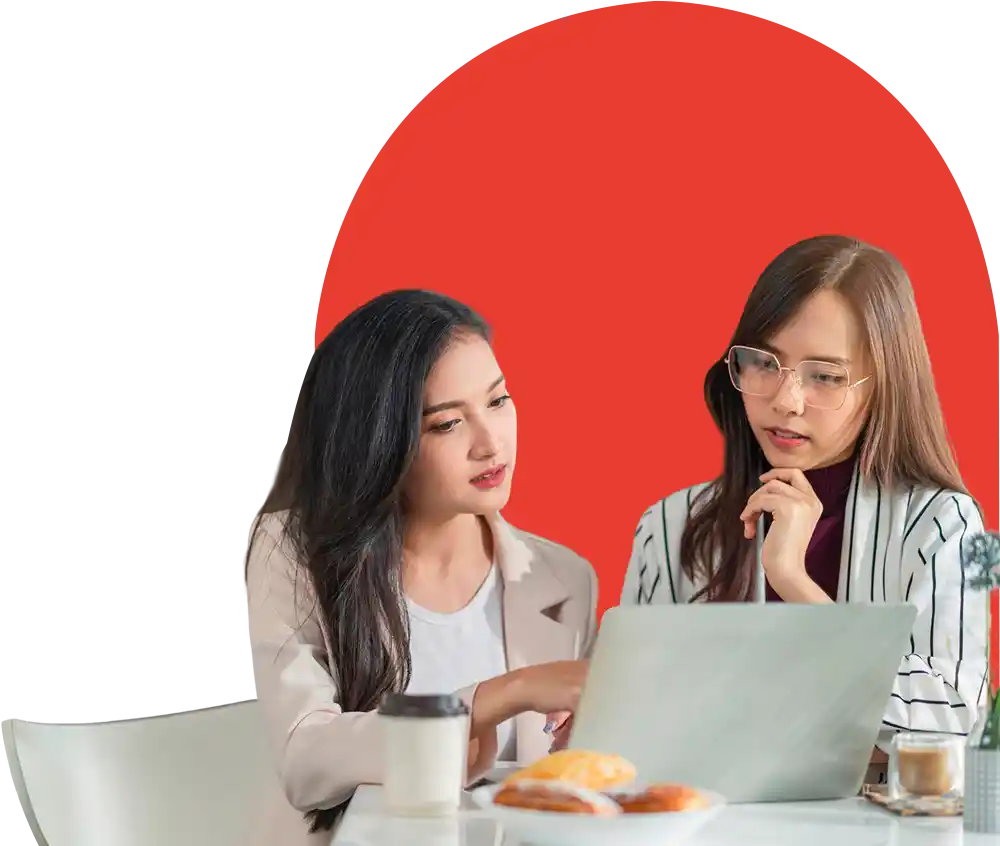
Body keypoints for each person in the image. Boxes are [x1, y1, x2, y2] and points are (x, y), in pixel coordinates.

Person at [243, 290, 596, 845]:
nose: (491, 443)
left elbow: (558, 785)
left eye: (499, 401)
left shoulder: (565, 579)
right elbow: (305, 759)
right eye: (447, 424)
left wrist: (589, 739)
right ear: (381, 441)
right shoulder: (289, 552)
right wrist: (503, 693)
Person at [620, 235, 988, 750]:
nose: (786, 401)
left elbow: (954, 718)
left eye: (825, 377)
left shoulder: (939, 524)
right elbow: (629, 719)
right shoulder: (670, 525)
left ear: (883, 384)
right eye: (765, 364)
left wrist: (796, 585)